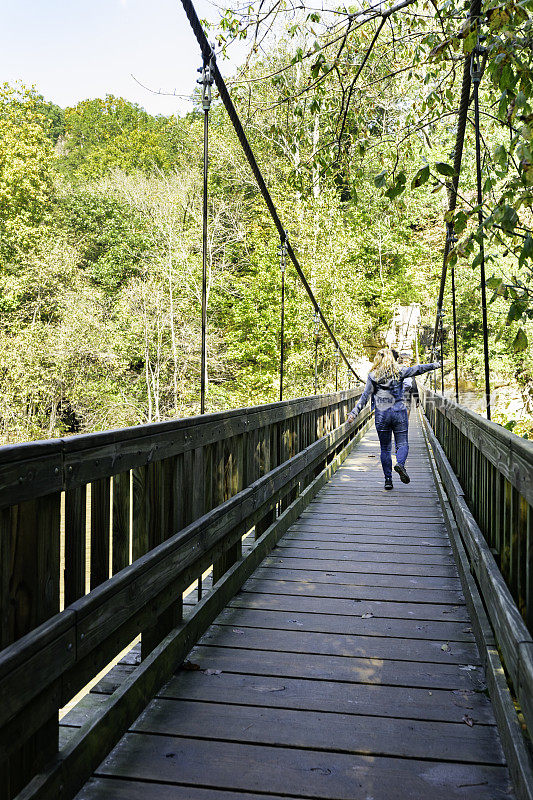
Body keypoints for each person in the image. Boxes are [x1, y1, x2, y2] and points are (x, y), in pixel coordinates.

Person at [347, 348, 441, 490]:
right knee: (402, 443)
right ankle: (400, 464)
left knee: (385, 448)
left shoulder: (373, 375)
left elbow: (365, 396)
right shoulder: (400, 371)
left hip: (382, 415)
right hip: (399, 412)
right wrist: (435, 365)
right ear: (392, 358)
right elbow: (418, 369)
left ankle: (388, 480)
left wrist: (354, 413)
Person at [398, 352, 419, 419]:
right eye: (409, 360)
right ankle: (405, 424)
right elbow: (413, 386)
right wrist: (417, 400)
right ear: (406, 361)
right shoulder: (409, 371)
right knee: (407, 408)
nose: (410, 362)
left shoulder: (394, 370)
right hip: (406, 396)